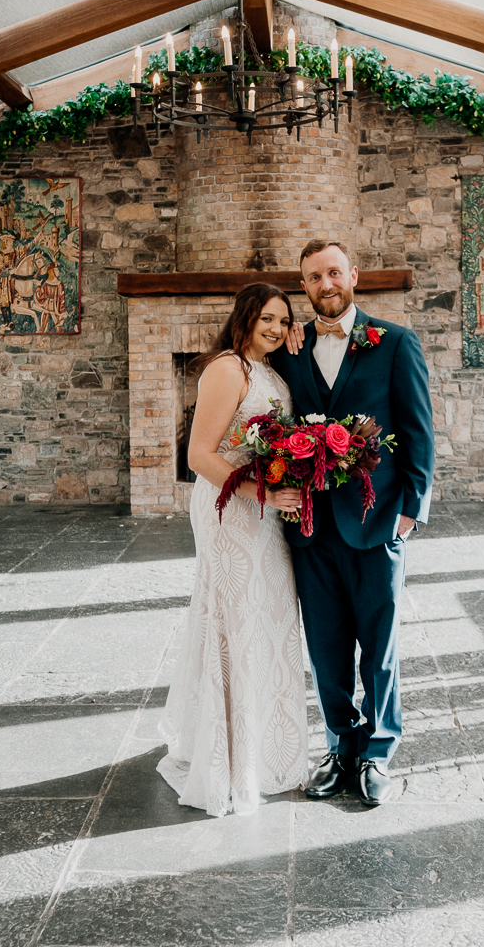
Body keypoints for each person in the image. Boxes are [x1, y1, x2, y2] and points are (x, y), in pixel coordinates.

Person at [269, 239, 435, 807]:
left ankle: (378, 750)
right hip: (310, 527)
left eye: (334, 272)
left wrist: (412, 513)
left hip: (377, 523)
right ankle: (342, 743)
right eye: (314, 277)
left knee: (380, 644)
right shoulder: (288, 351)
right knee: (327, 645)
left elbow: (418, 434)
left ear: (353, 276)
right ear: (305, 286)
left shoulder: (395, 343)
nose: (326, 284)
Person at [157, 283, 313, 816]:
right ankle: (230, 755)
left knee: (266, 617)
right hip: (230, 508)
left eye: (282, 320)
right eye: (266, 318)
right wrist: (261, 490)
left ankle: (269, 744)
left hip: (264, 511)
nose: (273, 327)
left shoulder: (268, 370)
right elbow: (199, 455)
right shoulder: (227, 368)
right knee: (235, 617)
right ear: (245, 316)